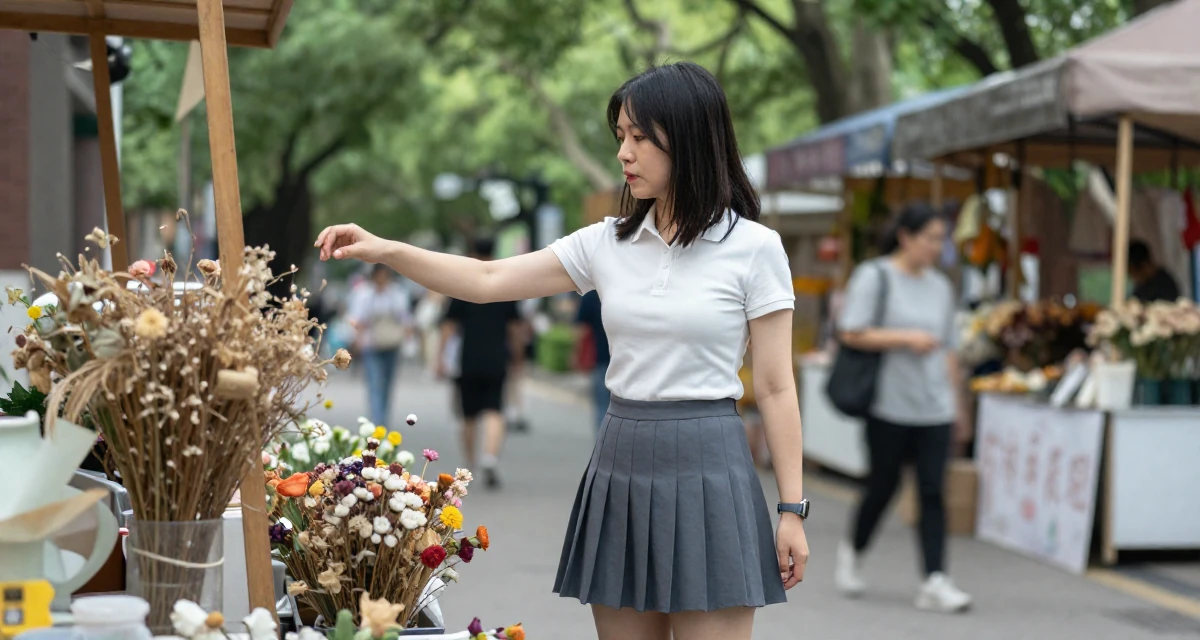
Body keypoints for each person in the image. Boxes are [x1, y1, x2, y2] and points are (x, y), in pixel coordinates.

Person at [315, 61, 807, 640]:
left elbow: (775, 386)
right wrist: (388, 250)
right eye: (621, 136)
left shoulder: (754, 247)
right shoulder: (607, 241)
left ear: (692, 137)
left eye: (641, 137)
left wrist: (791, 509)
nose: (624, 152)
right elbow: (488, 279)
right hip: (623, 460)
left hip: (711, 465)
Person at [833, 203, 972, 613]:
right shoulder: (874, 276)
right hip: (888, 406)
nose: (937, 246)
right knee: (883, 486)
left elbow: (948, 349)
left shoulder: (941, 287)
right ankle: (853, 550)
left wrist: (958, 404)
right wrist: (906, 338)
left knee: (932, 491)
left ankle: (934, 579)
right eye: (930, 237)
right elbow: (852, 332)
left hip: (934, 407)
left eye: (940, 239)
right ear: (905, 237)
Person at [437, 237, 522, 490]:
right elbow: (515, 328)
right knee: (495, 409)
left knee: (469, 415)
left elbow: (449, 327)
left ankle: (470, 464)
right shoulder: (505, 286)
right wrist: (517, 355)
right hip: (497, 358)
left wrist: (440, 357)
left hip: (468, 360)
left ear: (473, 252)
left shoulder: (463, 285)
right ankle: (490, 456)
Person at [345, 263, 412, 426]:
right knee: (375, 383)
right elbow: (357, 319)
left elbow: (405, 319)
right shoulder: (364, 294)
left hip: (392, 344)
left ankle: (382, 419)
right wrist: (356, 339)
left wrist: (408, 340)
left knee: (388, 384)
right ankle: (377, 422)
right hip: (371, 345)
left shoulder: (397, 293)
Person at [574, 290, 611, 434]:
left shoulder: (592, 294)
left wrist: (576, 354)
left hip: (601, 360)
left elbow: (581, 329)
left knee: (602, 408)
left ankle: (602, 448)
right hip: (628, 362)